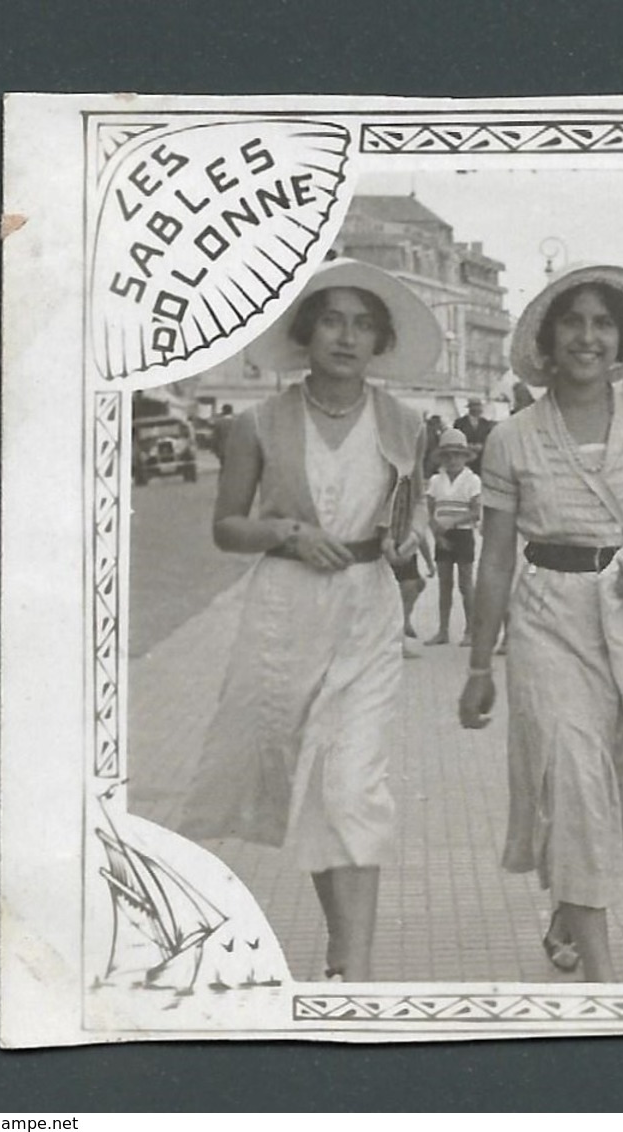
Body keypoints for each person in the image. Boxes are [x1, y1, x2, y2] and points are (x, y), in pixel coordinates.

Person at [178, 258, 439, 982]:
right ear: (306, 332)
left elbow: (406, 514)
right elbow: (227, 528)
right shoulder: (256, 422)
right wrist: (287, 533)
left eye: (362, 324)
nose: (346, 337)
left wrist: (406, 535)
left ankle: (354, 971)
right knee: (312, 785)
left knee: (352, 783)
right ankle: (340, 951)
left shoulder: (406, 424)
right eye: (332, 320)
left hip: (367, 612)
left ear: (379, 340)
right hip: (285, 613)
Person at [458, 264, 623, 982]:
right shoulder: (512, 437)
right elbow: (493, 559)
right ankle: (603, 976)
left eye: (602, 324)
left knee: (615, 780)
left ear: (620, 341)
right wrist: (476, 663)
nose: (588, 337)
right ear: (549, 340)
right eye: (573, 323)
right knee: (574, 776)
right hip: (546, 614)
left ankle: (568, 907)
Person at [424, 428, 481, 646]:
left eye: (457, 454)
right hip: (442, 535)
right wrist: (437, 532)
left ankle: (470, 631)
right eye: (447, 455)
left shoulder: (472, 480)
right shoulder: (436, 480)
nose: (452, 459)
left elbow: (477, 511)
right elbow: (428, 510)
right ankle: (443, 631)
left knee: (466, 584)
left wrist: (452, 522)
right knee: (444, 584)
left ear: (465, 457)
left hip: (463, 534)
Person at [453, 395, 497, 476]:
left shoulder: (485, 423)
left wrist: (482, 446)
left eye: (479, 406)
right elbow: (456, 439)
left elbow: (490, 440)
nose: (479, 409)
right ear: (470, 408)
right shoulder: (460, 423)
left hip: (481, 460)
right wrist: (467, 446)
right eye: (476, 406)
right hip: (465, 459)